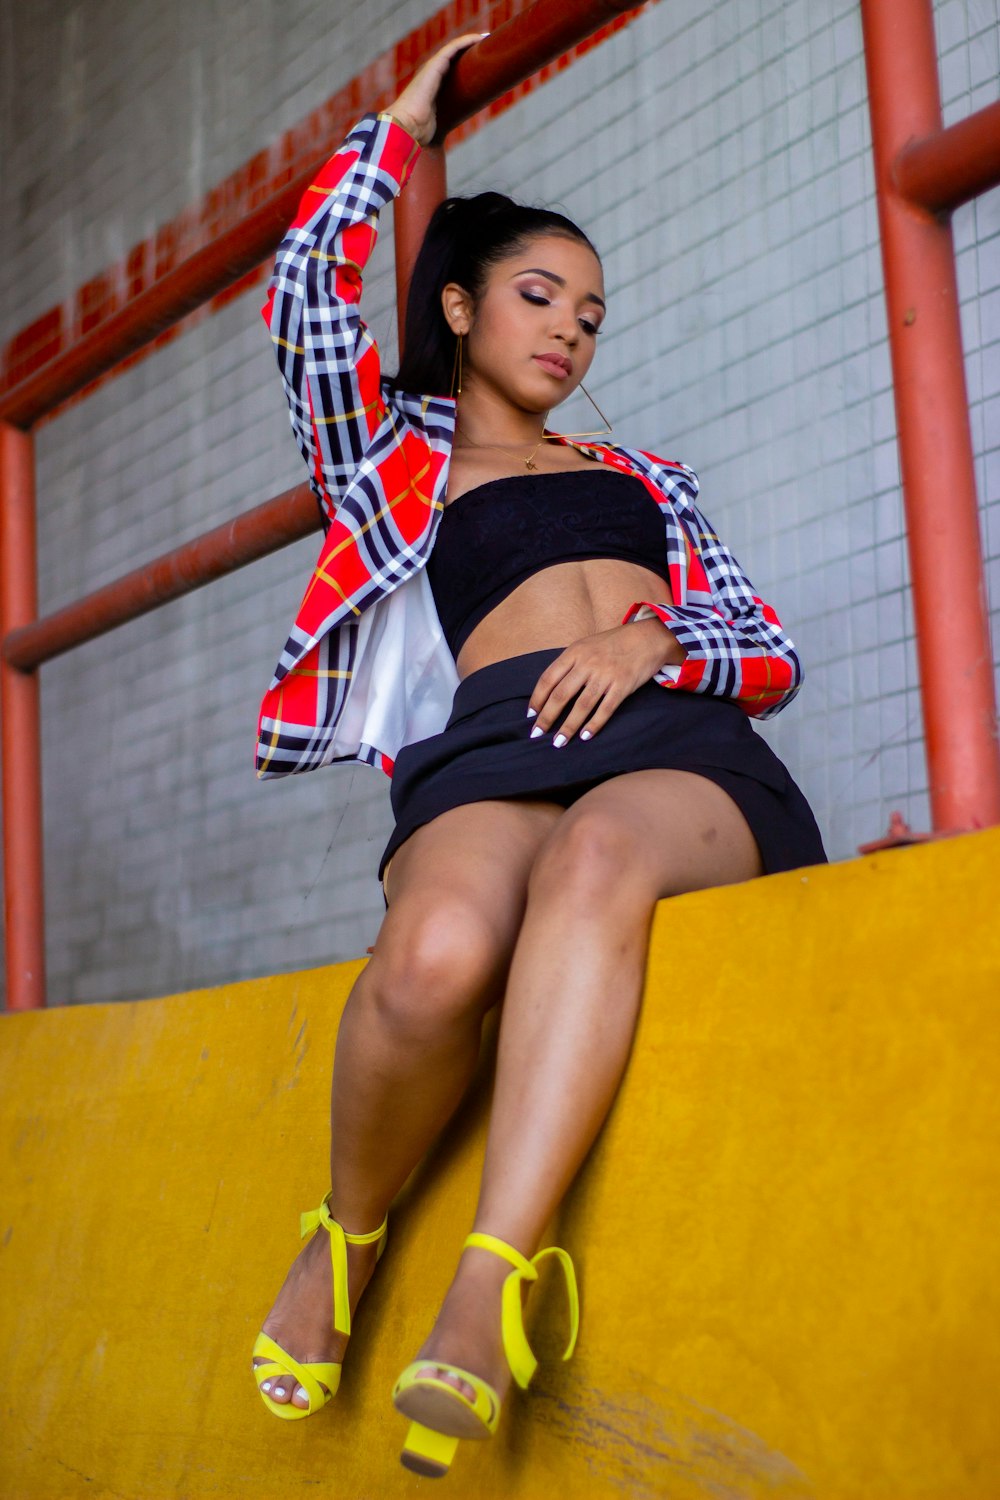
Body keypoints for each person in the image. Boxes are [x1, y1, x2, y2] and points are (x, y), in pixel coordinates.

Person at [250, 31, 826, 1479]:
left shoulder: (646, 479)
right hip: (492, 746)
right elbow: (304, 298)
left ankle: (490, 1278)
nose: (571, 329)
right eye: (538, 295)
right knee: (437, 954)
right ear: (459, 305)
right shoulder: (393, 454)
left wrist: (659, 644)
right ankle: (351, 1232)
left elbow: (766, 644)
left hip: (673, 739)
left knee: (600, 862)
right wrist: (393, 131)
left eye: (592, 312)